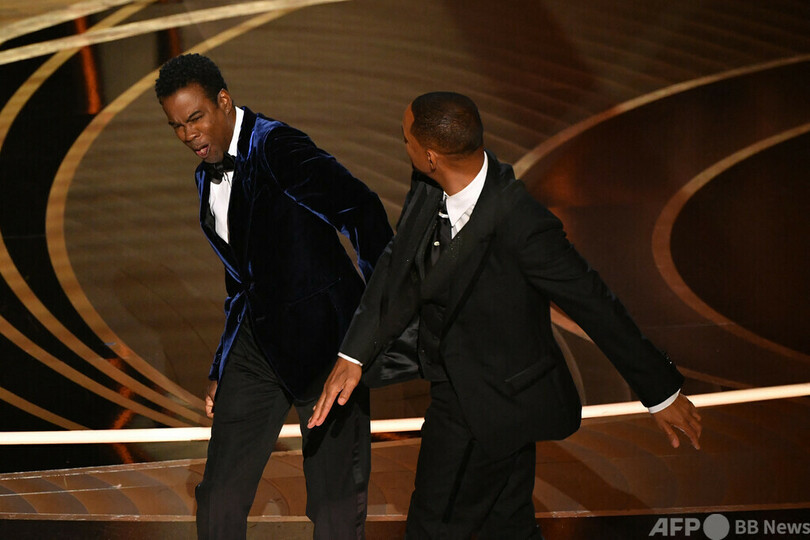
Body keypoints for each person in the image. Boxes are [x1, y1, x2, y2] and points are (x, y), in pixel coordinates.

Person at [309, 92, 702, 538]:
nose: (405, 146)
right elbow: (398, 263)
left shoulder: (522, 223)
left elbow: (594, 303)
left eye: (407, 140)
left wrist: (660, 392)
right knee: (508, 526)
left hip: (488, 400)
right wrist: (355, 353)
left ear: (431, 156)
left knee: (432, 528)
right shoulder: (428, 184)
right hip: (473, 392)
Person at [154, 53, 393, 540]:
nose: (188, 135)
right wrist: (222, 364)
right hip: (257, 345)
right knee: (219, 496)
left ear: (224, 101)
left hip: (326, 348)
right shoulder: (205, 174)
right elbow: (241, 278)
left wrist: (369, 328)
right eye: (176, 125)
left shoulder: (277, 146)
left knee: (334, 504)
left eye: (195, 118)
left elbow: (363, 211)